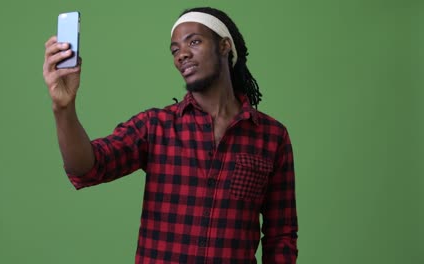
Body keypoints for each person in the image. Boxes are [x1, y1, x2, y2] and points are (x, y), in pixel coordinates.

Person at [43, 6, 298, 263]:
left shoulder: (272, 137)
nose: (182, 55)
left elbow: (281, 235)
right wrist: (63, 107)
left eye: (194, 42)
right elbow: (87, 167)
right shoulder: (155, 127)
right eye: (175, 50)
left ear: (224, 46)